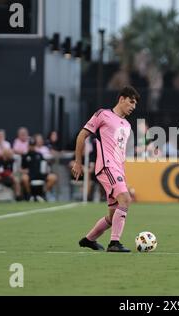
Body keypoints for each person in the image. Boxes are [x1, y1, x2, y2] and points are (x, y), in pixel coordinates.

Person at [72, 86, 140, 253]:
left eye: (135, 105)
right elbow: (82, 135)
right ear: (121, 99)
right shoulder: (103, 115)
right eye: (131, 102)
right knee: (126, 199)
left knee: (113, 215)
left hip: (117, 169)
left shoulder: (127, 125)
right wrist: (78, 162)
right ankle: (114, 243)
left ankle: (89, 240)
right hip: (106, 166)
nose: (133, 107)